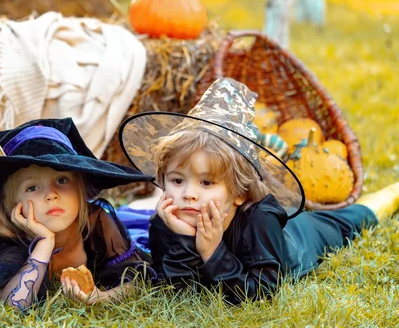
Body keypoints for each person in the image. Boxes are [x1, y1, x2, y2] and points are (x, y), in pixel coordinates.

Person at [118, 77, 399, 305]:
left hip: (303, 236)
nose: (188, 194)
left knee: (351, 219)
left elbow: (262, 293)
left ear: (239, 192)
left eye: (206, 183)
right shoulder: (166, 221)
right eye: (177, 181)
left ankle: (392, 193)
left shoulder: (259, 217)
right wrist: (181, 238)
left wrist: (213, 251)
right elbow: (180, 292)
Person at [0, 118, 154, 311]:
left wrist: (100, 298)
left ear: (80, 189)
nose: (51, 195)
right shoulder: (12, 243)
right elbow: (14, 306)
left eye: (62, 180)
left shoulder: (98, 220)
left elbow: (136, 278)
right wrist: (43, 245)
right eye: (33, 188)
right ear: (12, 204)